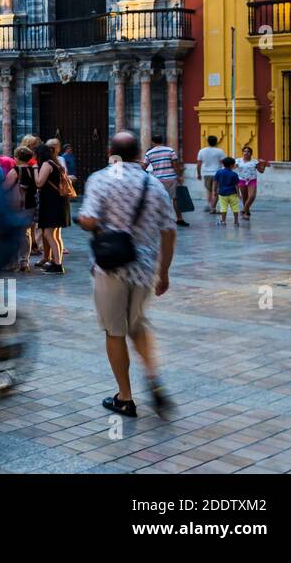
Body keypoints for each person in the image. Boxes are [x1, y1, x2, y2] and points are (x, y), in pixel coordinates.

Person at [76, 131, 176, 419]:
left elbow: (91, 219)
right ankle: (153, 376)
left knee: (115, 331)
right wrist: (164, 272)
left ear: (112, 152)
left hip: (111, 267)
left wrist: (83, 220)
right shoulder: (154, 185)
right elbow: (169, 231)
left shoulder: (101, 178)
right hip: (144, 269)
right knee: (137, 324)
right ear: (138, 154)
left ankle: (125, 397)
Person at [35, 141, 68, 273]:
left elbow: (39, 183)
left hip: (51, 202)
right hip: (58, 201)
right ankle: (56, 261)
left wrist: (34, 170)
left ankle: (58, 264)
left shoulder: (46, 164)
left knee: (49, 233)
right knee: (56, 234)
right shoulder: (56, 163)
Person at [144, 134, 188, 227]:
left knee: (158, 200)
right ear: (162, 141)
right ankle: (179, 219)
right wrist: (179, 176)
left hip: (157, 180)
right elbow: (175, 164)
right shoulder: (170, 150)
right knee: (175, 199)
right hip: (171, 178)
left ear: (152, 142)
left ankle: (159, 220)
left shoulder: (149, 153)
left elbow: (144, 166)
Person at [12, 146, 38, 272]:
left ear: (17, 157)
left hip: (18, 206)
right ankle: (24, 261)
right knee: (26, 233)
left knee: (17, 233)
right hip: (31, 204)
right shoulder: (33, 170)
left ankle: (15, 261)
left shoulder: (16, 170)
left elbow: (4, 186)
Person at [196, 135, 226, 212]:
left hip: (206, 174)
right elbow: (224, 163)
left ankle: (210, 206)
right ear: (216, 141)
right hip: (218, 173)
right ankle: (213, 207)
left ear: (208, 141)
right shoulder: (220, 151)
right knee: (216, 191)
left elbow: (199, 164)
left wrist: (199, 174)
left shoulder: (202, 151)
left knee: (208, 191)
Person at [236, 146, 267, 220]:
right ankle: (247, 213)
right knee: (244, 197)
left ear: (251, 153)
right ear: (242, 152)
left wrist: (264, 164)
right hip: (241, 180)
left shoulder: (255, 162)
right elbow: (232, 168)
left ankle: (244, 209)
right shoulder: (238, 161)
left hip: (252, 180)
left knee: (252, 196)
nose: (246, 153)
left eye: (248, 151)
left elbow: (261, 171)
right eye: (245, 151)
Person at [215, 156, 242, 227]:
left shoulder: (219, 172)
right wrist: (238, 194)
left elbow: (215, 182)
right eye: (234, 164)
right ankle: (236, 221)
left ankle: (223, 221)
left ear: (223, 164)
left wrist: (214, 191)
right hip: (232, 193)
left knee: (223, 207)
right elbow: (236, 185)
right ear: (231, 165)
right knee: (235, 207)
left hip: (222, 193)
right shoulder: (234, 174)